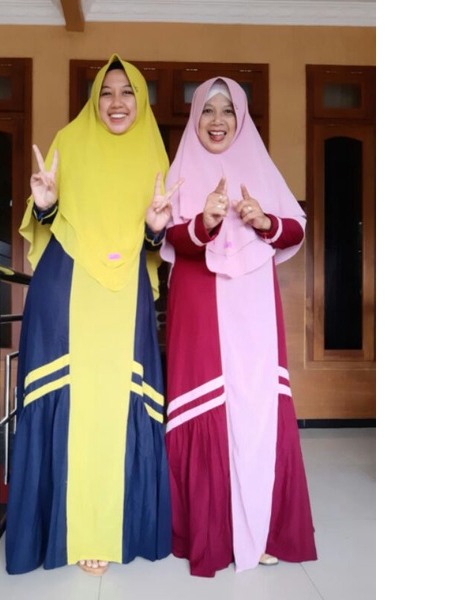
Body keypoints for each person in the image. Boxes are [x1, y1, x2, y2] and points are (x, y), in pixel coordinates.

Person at [5, 54, 182, 577]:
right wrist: (45, 203)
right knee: (72, 399)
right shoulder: (69, 141)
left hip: (125, 291)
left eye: (128, 92)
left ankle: (109, 526)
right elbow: (46, 220)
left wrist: (155, 229)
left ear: (142, 100)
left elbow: (155, 242)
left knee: (116, 401)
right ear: (93, 99)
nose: (117, 102)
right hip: (66, 287)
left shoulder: (155, 155)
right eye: (106, 92)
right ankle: (71, 529)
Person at [160, 77, 318, 578]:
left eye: (227, 110)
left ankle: (264, 529)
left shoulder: (260, 165)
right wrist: (204, 221)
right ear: (195, 118)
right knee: (206, 401)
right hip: (199, 300)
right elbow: (167, 236)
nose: (217, 120)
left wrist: (263, 220)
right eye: (207, 110)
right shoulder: (181, 169)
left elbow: (294, 226)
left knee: (257, 405)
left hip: (253, 304)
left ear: (241, 117)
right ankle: (209, 532)